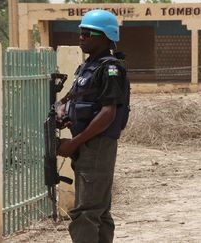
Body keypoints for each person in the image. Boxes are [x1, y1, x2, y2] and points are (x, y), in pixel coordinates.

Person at [56, 9, 129, 243]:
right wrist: (63, 112)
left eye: (88, 33)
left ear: (106, 36)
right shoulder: (87, 67)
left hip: (96, 145)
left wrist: (74, 143)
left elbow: (108, 113)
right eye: (81, 32)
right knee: (99, 210)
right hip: (87, 143)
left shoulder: (111, 69)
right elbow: (73, 99)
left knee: (86, 213)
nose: (82, 37)